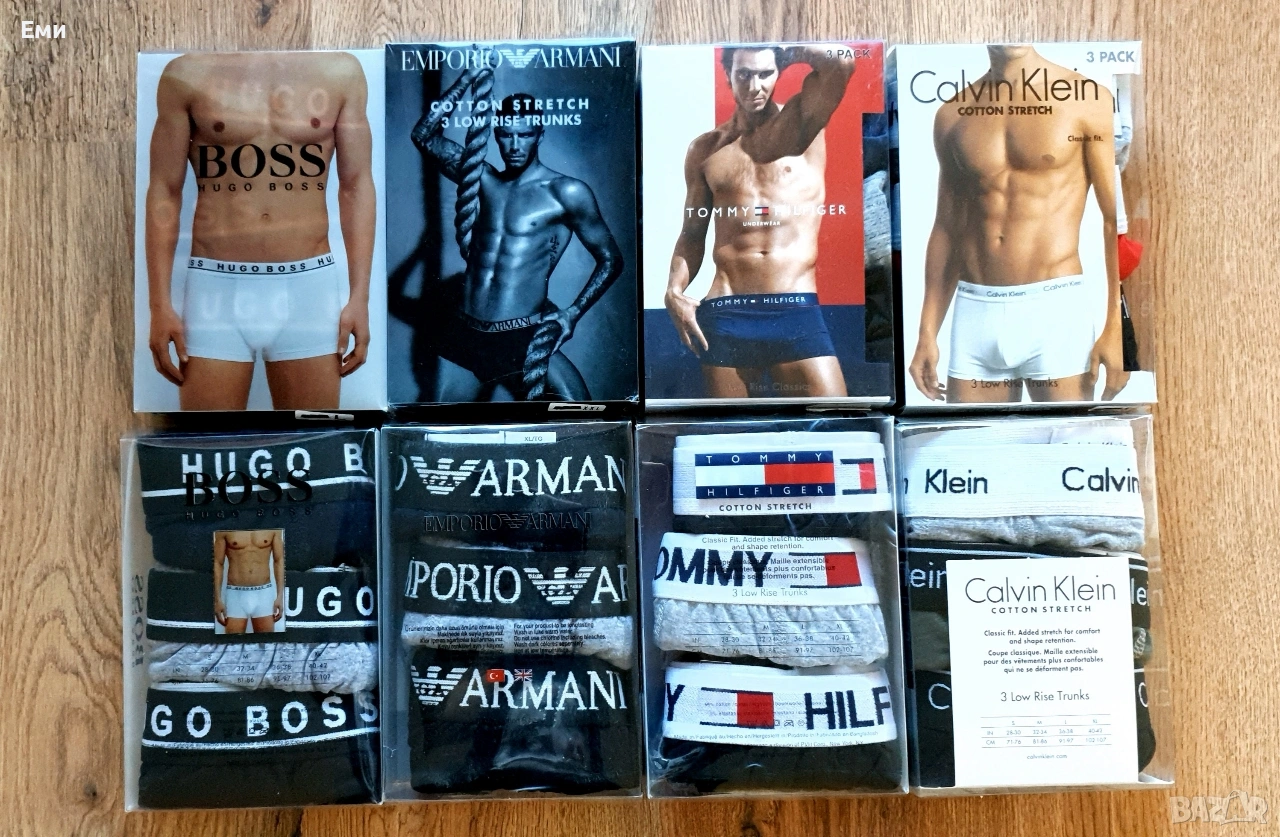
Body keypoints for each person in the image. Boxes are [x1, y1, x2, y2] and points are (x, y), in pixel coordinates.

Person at [145, 51, 375, 410]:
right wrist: (159, 306)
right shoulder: (186, 73)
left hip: (308, 287)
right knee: (210, 441)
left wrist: (360, 297)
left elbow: (356, 185)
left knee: (311, 440)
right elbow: (165, 189)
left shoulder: (340, 71)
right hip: (214, 286)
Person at [908, 45, 1127, 403]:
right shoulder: (952, 113)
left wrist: (1118, 329)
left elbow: (1114, 219)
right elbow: (947, 227)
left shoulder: (1086, 99)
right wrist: (926, 332)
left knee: (1069, 439)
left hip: (1055, 310)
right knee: (970, 441)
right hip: (975, 312)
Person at [664, 44, 855, 399]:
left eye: (765, 73)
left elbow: (842, 61)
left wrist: (789, 50)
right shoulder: (705, 149)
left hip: (794, 305)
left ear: (779, 71)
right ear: (728, 75)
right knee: (732, 430)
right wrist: (674, 291)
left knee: (835, 423)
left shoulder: (805, 122)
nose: (755, 86)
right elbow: (692, 232)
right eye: (744, 74)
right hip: (726, 309)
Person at [411, 90, 623, 401]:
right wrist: (466, 80)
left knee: (580, 410)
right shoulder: (483, 179)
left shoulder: (565, 192)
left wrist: (573, 312)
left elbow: (611, 259)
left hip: (520, 336)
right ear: (496, 134)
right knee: (441, 422)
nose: (514, 145)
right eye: (506, 135)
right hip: (464, 333)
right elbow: (424, 136)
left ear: (539, 135)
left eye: (524, 135)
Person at [213, 529, 285, 635]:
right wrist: (217, 600)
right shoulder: (224, 528)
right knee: (233, 643)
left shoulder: (272, 527)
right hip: (235, 595)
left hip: (264, 593)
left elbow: (279, 560)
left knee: (265, 643)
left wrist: (280, 596)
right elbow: (218, 563)